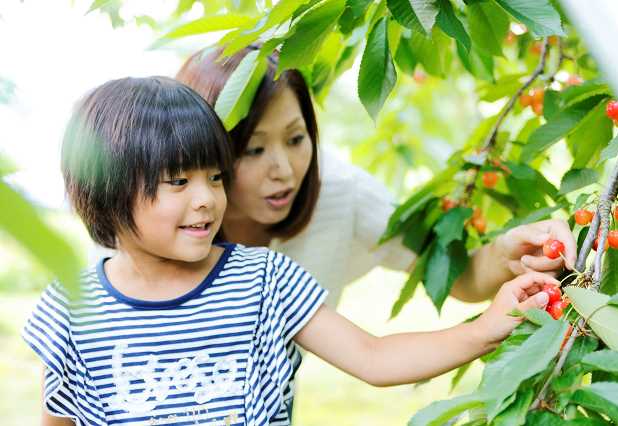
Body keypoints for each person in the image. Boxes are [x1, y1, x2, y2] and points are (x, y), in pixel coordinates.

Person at [24, 76, 558, 426]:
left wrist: (487, 326)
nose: (207, 198)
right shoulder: (72, 308)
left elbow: (373, 358)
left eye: (215, 176)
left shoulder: (264, 280)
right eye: (177, 181)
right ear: (107, 188)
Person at [173, 44, 577, 309]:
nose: (283, 169)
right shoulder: (151, 213)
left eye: (296, 138)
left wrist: (507, 252)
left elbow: (459, 276)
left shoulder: (342, 194)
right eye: (253, 149)